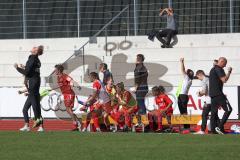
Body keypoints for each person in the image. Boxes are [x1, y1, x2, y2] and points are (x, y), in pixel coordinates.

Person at [14, 45, 44, 131]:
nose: (33, 47)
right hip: (35, 81)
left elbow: (27, 72)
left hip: (33, 82)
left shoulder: (32, 59)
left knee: (35, 104)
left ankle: (38, 121)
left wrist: (17, 68)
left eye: (35, 47)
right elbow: (30, 71)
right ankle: (28, 126)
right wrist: (24, 67)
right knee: (26, 108)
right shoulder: (37, 60)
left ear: (35, 51)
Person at [54, 64, 82, 131]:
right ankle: (79, 123)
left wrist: (76, 85)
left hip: (69, 93)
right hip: (66, 94)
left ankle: (76, 124)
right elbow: (63, 85)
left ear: (59, 70)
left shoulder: (64, 76)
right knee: (69, 110)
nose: (55, 71)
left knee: (68, 109)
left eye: (56, 70)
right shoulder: (58, 77)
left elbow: (71, 80)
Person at [209, 57, 232, 134]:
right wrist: (229, 72)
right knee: (228, 109)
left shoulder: (212, 69)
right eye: (225, 64)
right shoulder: (218, 68)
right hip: (218, 93)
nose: (225, 66)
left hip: (212, 94)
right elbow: (224, 80)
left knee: (213, 113)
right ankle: (219, 127)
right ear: (221, 62)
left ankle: (213, 131)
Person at [194, 70, 219, 134]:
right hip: (214, 99)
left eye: (198, 77)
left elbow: (204, 91)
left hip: (208, 101)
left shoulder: (204, 81)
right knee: (215, 115)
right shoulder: (209, 79)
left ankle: (202, 130)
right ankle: (219, 128)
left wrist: (199, 93)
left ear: (199, 74)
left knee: (204, 115)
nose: (198, 79)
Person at [176, 58, 194, 129]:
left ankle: (186, 126)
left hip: (183, 96)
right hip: (182, 96)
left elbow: (183, 70)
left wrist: (182, 62)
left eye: (187, 72)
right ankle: (186, 126)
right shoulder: (188, 79)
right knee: (183, 112)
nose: (186, 72)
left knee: (183, 112)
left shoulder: (187, 78)